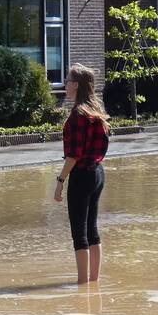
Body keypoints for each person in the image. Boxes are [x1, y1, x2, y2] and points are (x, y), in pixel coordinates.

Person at [53, 63, 110, 284]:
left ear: (75, 85)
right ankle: (94, 281)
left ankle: (82, 285)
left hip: (82, 175)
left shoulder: (77, 115)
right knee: (92, 229)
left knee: (79, 233)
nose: (65, 83)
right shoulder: (96, 112)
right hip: (98, 173)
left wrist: (60, 181)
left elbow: (73, 155)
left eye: (67, 80)